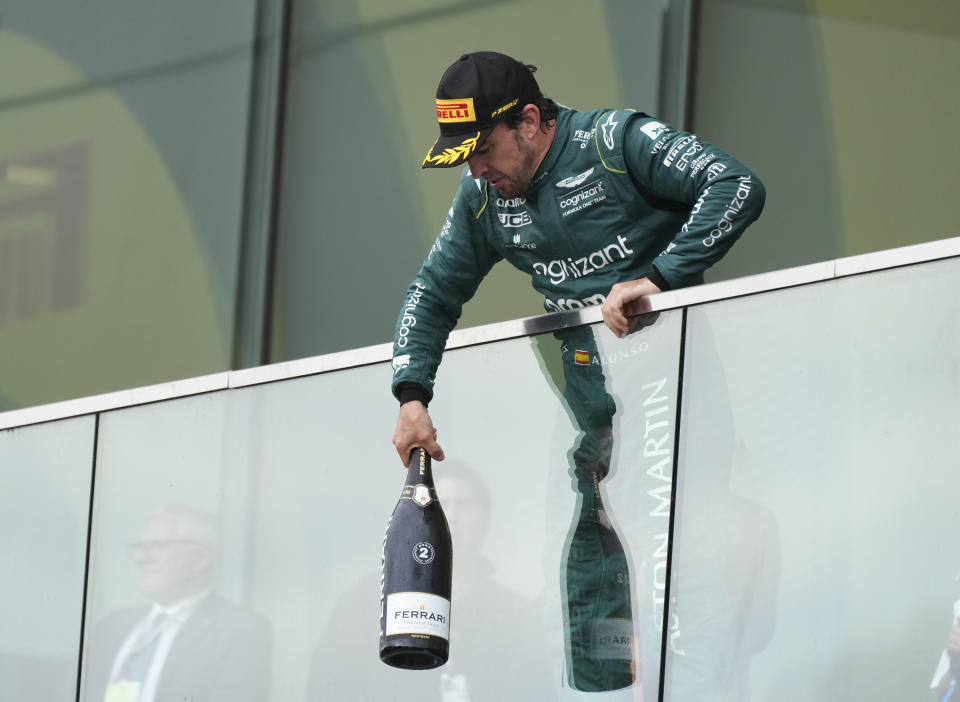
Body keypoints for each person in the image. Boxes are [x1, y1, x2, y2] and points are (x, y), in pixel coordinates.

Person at [391, 51, 765, 465]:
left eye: (483, 148)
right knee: (581, 529)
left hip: (676, 394)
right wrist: (411, 397)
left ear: (529, 121)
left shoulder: (613, 141)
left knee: (690, 520)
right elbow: (432, 292)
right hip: (586, 419)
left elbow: (734, 183)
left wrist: (659, 279)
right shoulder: (482, 194)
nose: (476, 169)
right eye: (466, 156)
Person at [83, 506, 272, 702]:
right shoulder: (113, 625)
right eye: (140, 547)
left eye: (157, 547)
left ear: (200, 559)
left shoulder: (241, 630)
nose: (140, 558)